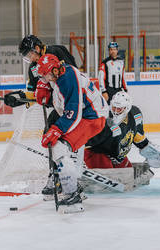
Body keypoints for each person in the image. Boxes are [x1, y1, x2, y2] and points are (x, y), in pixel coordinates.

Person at [36, 54, 109, 212]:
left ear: (55, 70)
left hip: (93, 118)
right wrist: (43, 88)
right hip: (88, 116)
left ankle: (72, 194)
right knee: (59, 147)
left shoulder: (67, 80)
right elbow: (62, 100)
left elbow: (73, 114)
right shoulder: (61, 75)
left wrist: (56, 130)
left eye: (46, 75)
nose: (45, 79)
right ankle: (67, 185)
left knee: (59, 147)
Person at [84, 91, 160, 171]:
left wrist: (149, 150)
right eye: (114, 108)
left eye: (119, 109)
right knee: (110, 176)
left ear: (127, 108)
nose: (115, 111)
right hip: (98, 153)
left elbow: (137, 136)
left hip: (118, 156)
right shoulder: (105, 120)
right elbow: (88, 140)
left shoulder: (135, 115)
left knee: (128, 174)